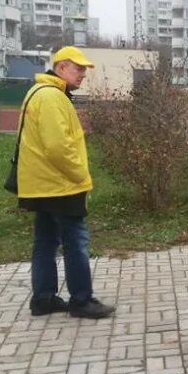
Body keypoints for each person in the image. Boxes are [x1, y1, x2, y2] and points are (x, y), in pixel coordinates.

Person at [18, 46, 115, 319]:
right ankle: (81, 300)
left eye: (84, 69)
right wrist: (80, 176)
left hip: (42, 183)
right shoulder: (51, 97)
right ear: (60, 67)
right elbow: (57, 147)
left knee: (46, 241)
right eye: (78, 68)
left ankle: (44, 299)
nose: (82, 74)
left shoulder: (42, 93)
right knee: (76, 242)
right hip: (59, 184)